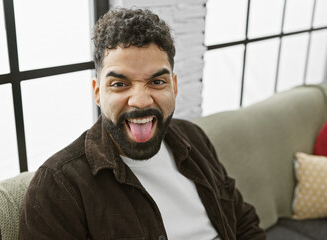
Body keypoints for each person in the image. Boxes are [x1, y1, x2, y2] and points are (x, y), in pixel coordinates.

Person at [19, 8, 266, 240]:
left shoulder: (194, 137)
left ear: (174, 86)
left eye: (157, 82)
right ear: (97, 92)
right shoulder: (58, 186)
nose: (140, 100)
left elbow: (243, 222)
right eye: (119, 84)